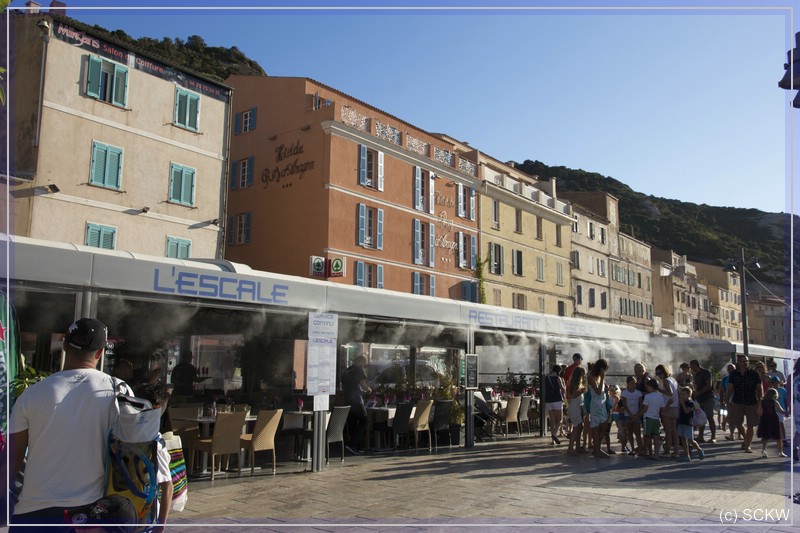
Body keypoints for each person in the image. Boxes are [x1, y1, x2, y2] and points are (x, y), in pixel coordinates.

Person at [8, 318, 130, 530]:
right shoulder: (118, 391)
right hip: (91, 514)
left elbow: (11, 461)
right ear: (100, 352)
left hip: (32, 513)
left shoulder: (31, 394)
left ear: (64, 344)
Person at [131, 382, 173, 531]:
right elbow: (167, 486)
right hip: (144, 512)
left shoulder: (119, 433)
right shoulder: (154, 442)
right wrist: (161, 526)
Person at [727, 354, 763, 454]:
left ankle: (748, 445)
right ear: (738, 362)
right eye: (743, 361)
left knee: (751, 424)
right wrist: (727, 400)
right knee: (738, 422)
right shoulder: (734, 374)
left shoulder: (754, 374)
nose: (745, 363)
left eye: (746, 361)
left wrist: (760, 402)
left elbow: (759, 388)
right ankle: (746, 439)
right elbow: (730, 388)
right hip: (737, 401)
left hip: (751, 401)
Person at [341, 355, 371, 454]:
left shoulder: (347, 371)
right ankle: (353, 444)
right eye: (363, 363)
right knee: (364, 421)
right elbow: (363, 384)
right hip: (357, 401)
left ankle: (355, 446)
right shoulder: (358, 370)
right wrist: (369, 390)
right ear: (360, 361)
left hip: (347, 400)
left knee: (352, 424)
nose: (363, 366)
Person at [655, 364, 680, 459]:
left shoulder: (665, 381)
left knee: (668, 431)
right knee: (674, 431)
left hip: (667, 407)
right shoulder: (673, 380)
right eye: (657, 373)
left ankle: (667, 451)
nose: (658, 375)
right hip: (675, 407)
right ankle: (676, 451)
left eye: (659, 373)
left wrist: (658, 389)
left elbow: (670, 393)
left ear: (663, 372)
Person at [587, 358, 610, 458]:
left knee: (604, 426)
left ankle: (597, 447)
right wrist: (602, 378)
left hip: (602, 403)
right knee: (596, 426)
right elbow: (598, 391)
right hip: (596, 404)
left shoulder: (599, 377)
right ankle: (597, 449)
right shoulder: (591, 377)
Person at [690, 359, 716, 443]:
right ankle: (700, 436)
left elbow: (709, 385)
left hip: (708, 397)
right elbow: (696, 385)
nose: (691, 369)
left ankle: (713, 436)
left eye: (691, 367)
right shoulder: (696, 375)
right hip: (700, 398)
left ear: (695, 365)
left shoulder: (706, 372)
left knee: (710, 417)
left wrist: (699, 392)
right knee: (701, 417)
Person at [757, 387, 786, 458]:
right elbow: (782, 411)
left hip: (765, 419)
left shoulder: (762, 402)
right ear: (774, 395)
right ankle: (780, 452)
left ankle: (764, 451)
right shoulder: (774, 402)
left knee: (765, 436)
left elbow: (758, 412)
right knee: (778, 436)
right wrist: (788, 411)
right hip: (773, 419)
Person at [677, 386, 705, 461]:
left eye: (683, 394)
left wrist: (682, 403)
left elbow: (687, 411)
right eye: (681, 394)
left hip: (688, 424)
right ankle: (687, 456)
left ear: (688, 395)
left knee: (690, 440)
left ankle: (699, 449)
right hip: (681, 422)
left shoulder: (691, 403)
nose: (682, 396)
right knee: (683, 440)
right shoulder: (681, 403)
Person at [641, 378, 666, 460]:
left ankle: (650, 453)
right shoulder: (660, 397)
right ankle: (656, 453)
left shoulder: (647, 396)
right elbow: (663, 409)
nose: (647, 388)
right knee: (656, 436)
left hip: (648, 418)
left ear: (650, 386)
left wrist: (638, 414)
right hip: (656, 418)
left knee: (648, 436)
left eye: (648, 387)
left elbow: (645, 408)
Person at [566, 367, 587, 456]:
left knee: (579, 428)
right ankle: (570, 447)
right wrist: (582, 391)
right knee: (576, 428)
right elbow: (574, 395)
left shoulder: (579, 384)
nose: (584, 375)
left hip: (577, 407)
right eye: (583, 374)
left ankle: (577, 447)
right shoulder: (575, 384)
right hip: (575, 408)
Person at [543, 364, 566, 445]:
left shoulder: (546, 378)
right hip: (557, 400)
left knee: (552, 420)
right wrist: (564, 385)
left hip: (548, 401)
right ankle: (554, 434)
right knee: (559, 420)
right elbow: (563, 390)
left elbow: (544, 390)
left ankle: (553, 441)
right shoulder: (558, 378)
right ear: (559, 371)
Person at [621, 375, 643, 455]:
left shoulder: (638, 393)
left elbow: (641, 404)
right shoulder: (625, 393)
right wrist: (630, 415)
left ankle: (640, 449)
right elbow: (625, 404)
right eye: (631, 384)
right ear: (627, 384)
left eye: (634, 383)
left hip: (636, 415)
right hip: (628, 415)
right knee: (629, 432)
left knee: (638, 433)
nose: (633, 385)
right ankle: (632, 448)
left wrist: (637, 414)